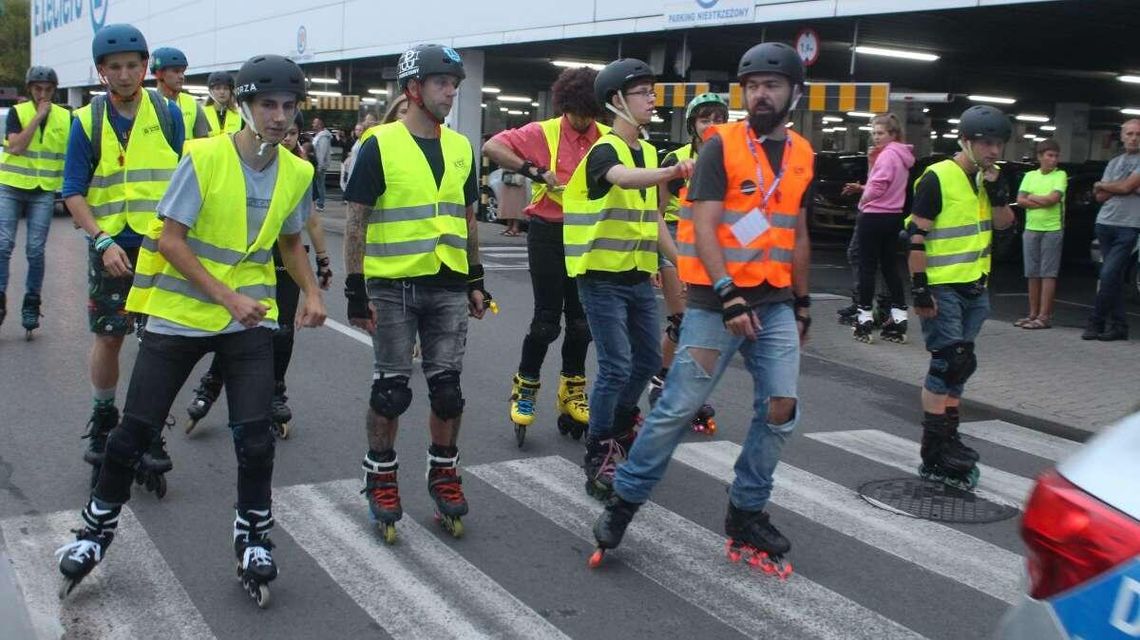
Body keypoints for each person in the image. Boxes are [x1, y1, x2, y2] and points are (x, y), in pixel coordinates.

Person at [55, 53, 326, 607]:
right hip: (182, 316)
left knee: (255, 438)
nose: (279, 116)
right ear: (247, 106)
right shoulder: (203, 157)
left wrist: (315, 291)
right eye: (268, 104)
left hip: (247, 323)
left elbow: (291, 242)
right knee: (132, 434)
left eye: (289, 105)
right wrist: (227, 296)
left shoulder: (298, 171)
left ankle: (252, 537)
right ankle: (94, 530)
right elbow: (172, 241)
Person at [590, 43, 813, 576]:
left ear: (794, 94)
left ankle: (747, 511)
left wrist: (803, 302)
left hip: (776, 300)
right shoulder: (721, 146)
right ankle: (624, 501)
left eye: (772, 85)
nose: (761, 94)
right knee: (678, 409)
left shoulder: (803, 153)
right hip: (718, 302)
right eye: (753, 85)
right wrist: (728, 293)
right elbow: (706, 226)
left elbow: (798, 233)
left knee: (781, 406)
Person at [343, 44, 490, 543]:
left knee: (447, 393)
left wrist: (475, 278)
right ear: (413, 89)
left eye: (455, 84)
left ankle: (443, 472)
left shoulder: (461, 147)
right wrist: (353, 289)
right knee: (391, 390)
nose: (451, 91)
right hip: (392, 286)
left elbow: (468, 217)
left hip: (448, 282)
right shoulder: (379, 144)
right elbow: (356, 219)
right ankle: (381, 475)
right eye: (441, 83)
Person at [62, 23, 185, 489]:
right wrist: (101, 240)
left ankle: (148, 426)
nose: (126, 74)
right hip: (110, 247)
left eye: (134, 65)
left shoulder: (171, 115)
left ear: (146, 67)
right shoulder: (87, 121)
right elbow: (73, 192)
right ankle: (103, 415)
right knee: (110, 337)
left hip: (160, 248)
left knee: (161, 344)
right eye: (115, 68)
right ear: (101, 72)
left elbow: (189, 181)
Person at [562, 58, 686, 499]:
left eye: (653, 92)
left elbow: (653, 219)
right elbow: (622, 179)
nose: (653, 99)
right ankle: (599, 451)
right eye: (643, 93)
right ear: (617, 101)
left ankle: (617, 427)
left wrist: (679, 265)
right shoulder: (605, 150)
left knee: (649, 362)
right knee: (615, 365)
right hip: (599, 277)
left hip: (635, 275)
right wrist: (672, 172)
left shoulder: (649, 151)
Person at [185, 109, 334, 436]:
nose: (288, 136)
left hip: (285, 260)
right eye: (287, 131)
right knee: (236, 331)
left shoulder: (300, 171)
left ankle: (276, 390)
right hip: (250, 262)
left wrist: (322, 261)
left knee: (281, 332)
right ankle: (210, 385)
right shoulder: (248, 165)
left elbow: (310, 221)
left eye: (295, 133)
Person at [482, 66, 608, 444]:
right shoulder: (544, 131)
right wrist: (534, 171)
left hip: (588, 237)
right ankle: (526, 386)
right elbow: (492, 147)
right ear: (566, 104)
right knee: (546, 322)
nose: (583, 121)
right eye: (578, 112)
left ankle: (572, 390)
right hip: (548, 234)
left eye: (591, 112)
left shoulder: (605, 137)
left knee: (582, 323)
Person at [906, 105, 1015, 490]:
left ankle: (949, 438)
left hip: (975, 286)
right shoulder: (938, 177)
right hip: (941, 287)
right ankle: (934, 450)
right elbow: (915, 236)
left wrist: (1000, 193)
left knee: (961, 366)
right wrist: (920, 289)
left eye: (999, 143)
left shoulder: (986, 182)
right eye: (986, 143)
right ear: (965, 141)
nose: (993, 151)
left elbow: (1004, 226)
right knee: (946, 362)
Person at [647, 92, 728, 434]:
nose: (711, 125)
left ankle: (686, 389)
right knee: (683, 321)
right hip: (678, 238)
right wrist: (664, 260)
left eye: (718, 118)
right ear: (693, 124)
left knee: (705, 323)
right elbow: (656, 212)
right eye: (704, 118)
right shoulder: (676, 159)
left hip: (715, 242)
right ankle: (661, 381)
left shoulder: (732, 156)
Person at [0, 66, 69, 337]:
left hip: (44, 190)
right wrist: (39, 117)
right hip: (11, 186)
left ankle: (31, 302)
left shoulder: (66, 117)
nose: (43, 94)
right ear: (30, 89)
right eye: (37, 89)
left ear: (54, 90)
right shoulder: (18, 113)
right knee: (3, 245)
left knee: (35, 250)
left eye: (48, 89)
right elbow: (16, 147)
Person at [842, 112, 914, 343]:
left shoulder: (887, 155)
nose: (875, 137)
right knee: (890, 267)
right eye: (873, 133)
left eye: (880, 133)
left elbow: (879, 185)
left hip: (873, 217)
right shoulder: (903, 156)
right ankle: (899, 317)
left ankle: (864, 319)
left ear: (893, 134)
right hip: (893, 217)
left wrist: (864, 199)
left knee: (867, 268)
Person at [1085, 119, 1140, 341]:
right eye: (1130, 134)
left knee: (1108, 274)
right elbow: (1100, 196)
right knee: (1113, 277)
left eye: (1138, 134)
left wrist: (1108, 185)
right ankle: (1119, 326)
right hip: (1105, 223)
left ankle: (1095, 322)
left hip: (1129, 226)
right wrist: (1125, 187)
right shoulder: (1114, 162)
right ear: (1122, 136)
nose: (1134, 138)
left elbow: (1122, 187)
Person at [1015, 139, 1067, 330]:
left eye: (1056, 156)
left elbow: (1053, 199)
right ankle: (1032, 313)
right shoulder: (1029, 176)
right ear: (1040, 157)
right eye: (1049, 155)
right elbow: (1020, 200)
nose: (1053, 160)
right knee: (1032, 273)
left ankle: (1044, 315)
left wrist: (1033, 198)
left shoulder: (1060, 175)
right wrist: (1040, 200)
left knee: (1048, 273)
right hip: (1032, 228)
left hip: (1052, 229)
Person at [151, 47, 209, 144]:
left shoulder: (192, 103)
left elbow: (204, 143)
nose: (182, 76)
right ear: (159, 73)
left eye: (183, 72)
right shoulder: (146, 103)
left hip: (186, 159)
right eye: (176, 71)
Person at [203, 71, 242, 137]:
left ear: (231, 92)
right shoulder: (202, 113)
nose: (222, 92)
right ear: (210, 91)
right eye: (217, 88)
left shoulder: (239, 114)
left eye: (226, 88)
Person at [310, 117, 332, 212]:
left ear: (320, 124)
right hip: (316, 164)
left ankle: (320, 204)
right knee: (317, 184)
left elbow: (322, 153)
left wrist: (319, 166)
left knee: (320, 185)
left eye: (314, 123)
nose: (313, 124)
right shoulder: (319, 136)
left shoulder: (323, 137)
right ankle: (317, 202)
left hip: (319, 165)